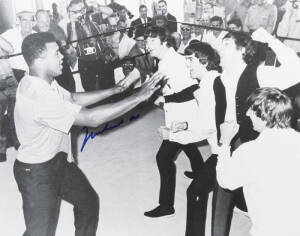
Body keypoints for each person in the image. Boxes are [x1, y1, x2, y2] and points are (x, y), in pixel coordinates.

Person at [13, 32, 164, 236]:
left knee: (88, 203)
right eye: (56, 53)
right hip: (36, 172)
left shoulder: (43, 80)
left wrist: (117, 89)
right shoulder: (37, 95)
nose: (63, 57)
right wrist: (138, 97)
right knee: (40, 232)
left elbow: (73, 98)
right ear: (39, 59)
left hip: (58, 160)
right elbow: (91, 118)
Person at [211, 28, 300, 236]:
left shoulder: (259, 73)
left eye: (226, 45)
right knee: (220, 196)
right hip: (233, 139)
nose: (219, 48)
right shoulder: (220, 77)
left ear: (242, 50)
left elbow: (297, 68)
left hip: (259, 145)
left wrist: (270, 39)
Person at [216, 87, 300, 236]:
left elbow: (225, 180)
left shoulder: (250, 152)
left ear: (265, 115)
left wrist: (225, 143)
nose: (247, 113)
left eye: (252, 110)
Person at [144, 27, 205, 218]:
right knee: (187, 144)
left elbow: (193, 88)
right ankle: (201, 173)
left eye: (152, 42)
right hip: (177, 114)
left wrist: (166, 100)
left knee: (163, 158)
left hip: (185, 117)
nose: (147, 46)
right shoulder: (163, 61)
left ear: (164, 42)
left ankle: (166, 205)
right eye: (146, 42)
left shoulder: (178, 61)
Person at [67, 0, 115, 91]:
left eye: (81, 10)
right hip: (86, 63)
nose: (80, 13)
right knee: (91, 91)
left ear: (85, 9)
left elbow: (110, 11)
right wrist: (73, 24)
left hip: (102, 58)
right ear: (72, 13)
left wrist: (95, 5)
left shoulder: (93, 17)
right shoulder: (71, 25)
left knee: (109, 88)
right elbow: (74, 44)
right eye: (76, 12)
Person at [0, 36, 20, 162]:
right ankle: (1, 150)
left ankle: (19, 142)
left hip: (10, 79)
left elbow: (10, 49)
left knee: (16, 113)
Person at [1, 11, 36, 80]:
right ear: (19, 21)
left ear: (33, 23)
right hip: (13, 74)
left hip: (33, 73)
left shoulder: (37, 36)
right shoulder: (10, 33)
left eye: (30, 20)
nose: (27, 24)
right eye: (24, 20)